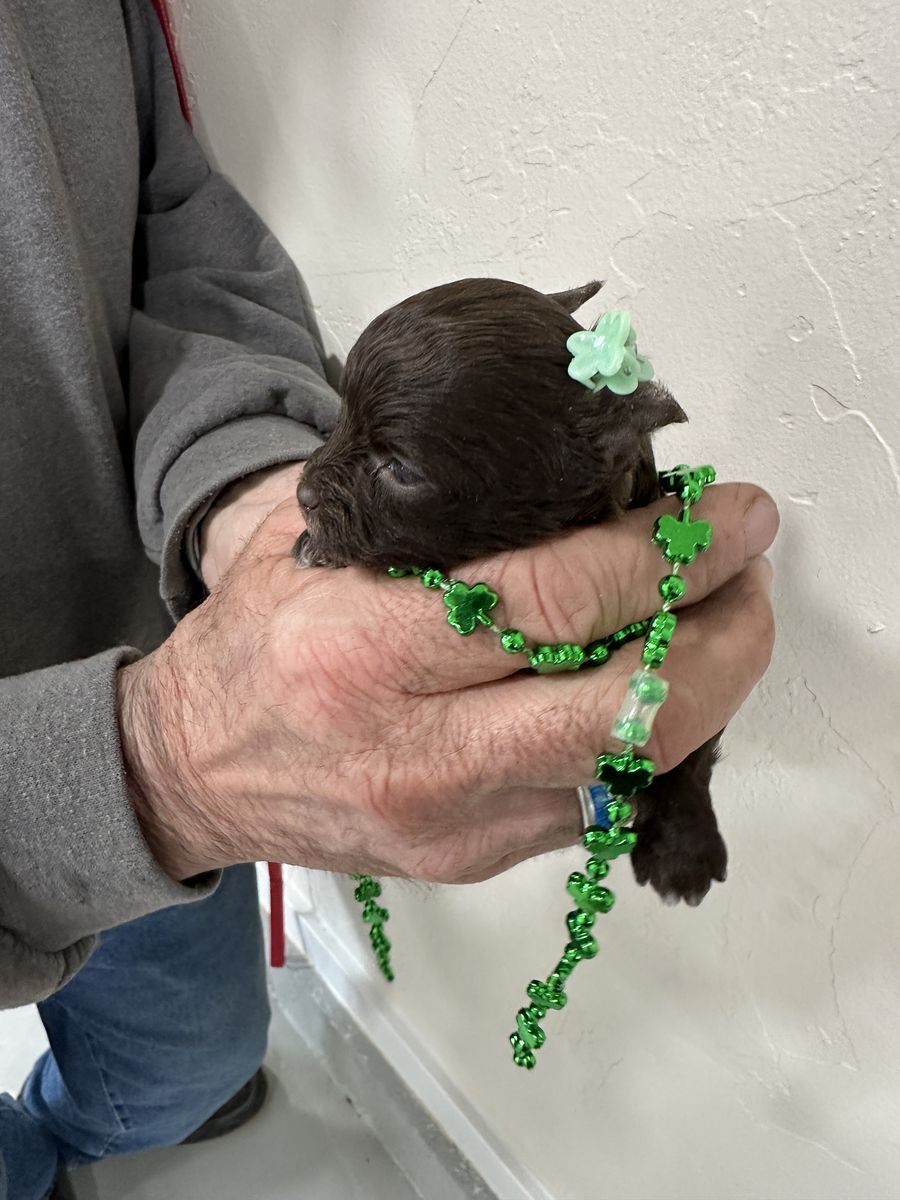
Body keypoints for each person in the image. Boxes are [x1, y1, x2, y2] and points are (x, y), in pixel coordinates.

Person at [0, 1, 779, 1197]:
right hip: (84, 759)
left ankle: (89, 1118)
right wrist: (151, 773)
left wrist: (238, 479)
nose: (323, 478)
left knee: (190, 1061)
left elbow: (173, 224)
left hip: (136, 636)